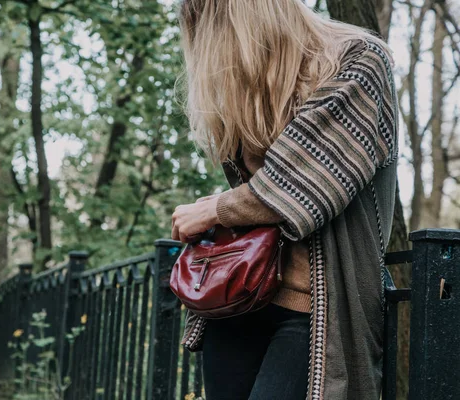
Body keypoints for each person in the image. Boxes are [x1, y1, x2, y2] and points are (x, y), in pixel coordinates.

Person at [170, 1, 399, 399]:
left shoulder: (357, 58)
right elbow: (258, 186)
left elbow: (303, 178)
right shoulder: (247, 82)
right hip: (241, 297)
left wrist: (214, 209)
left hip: (317, 309)